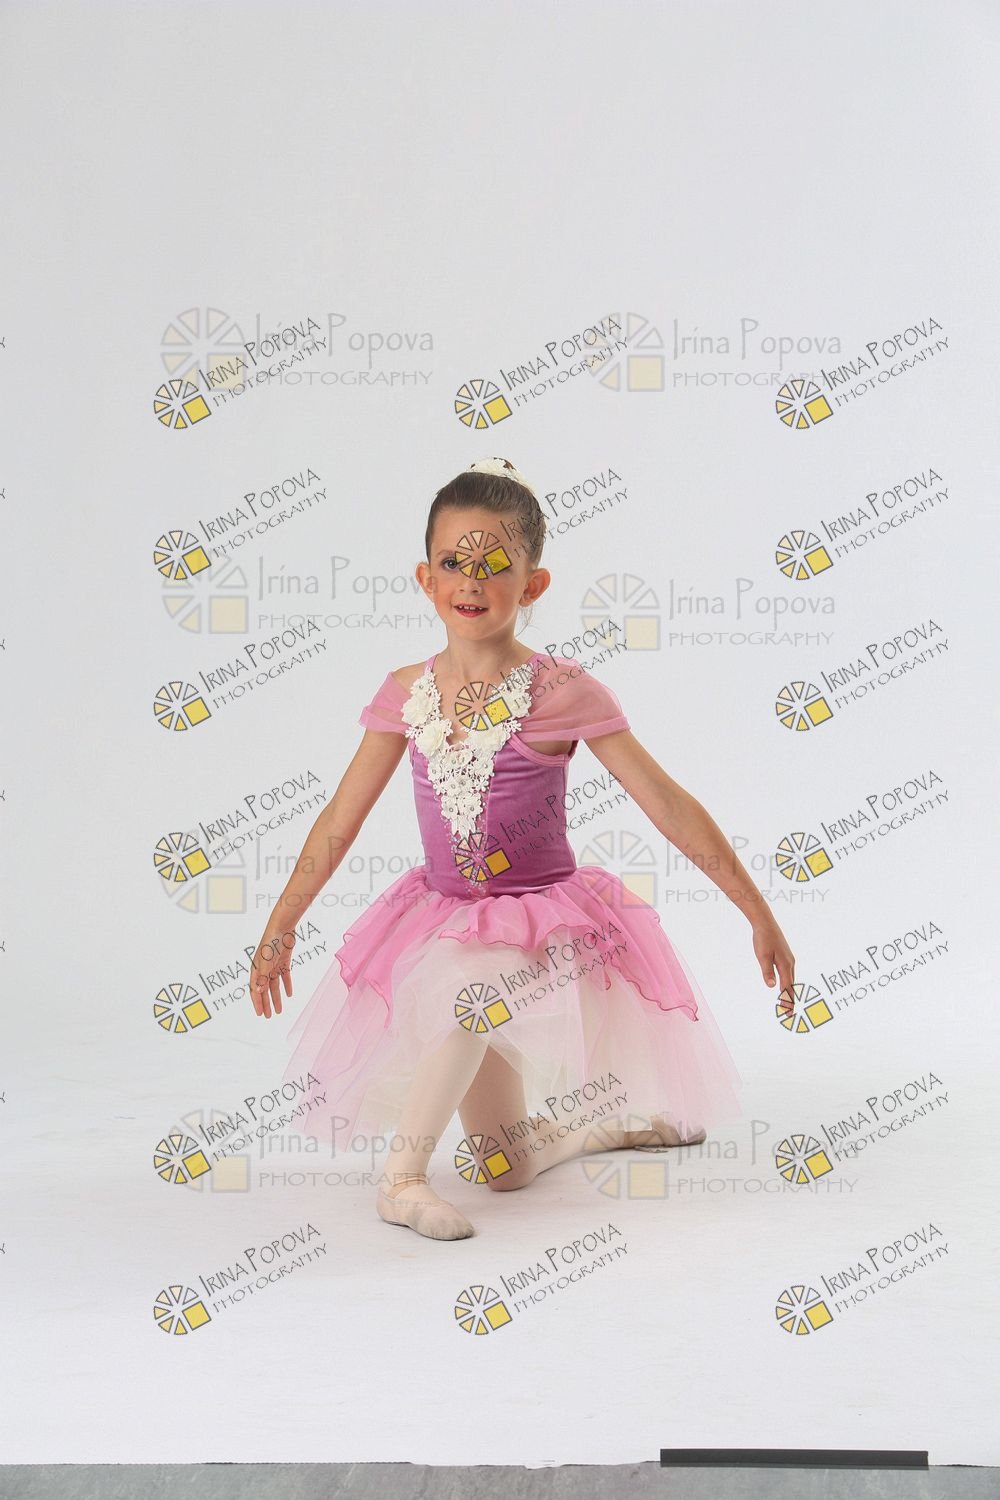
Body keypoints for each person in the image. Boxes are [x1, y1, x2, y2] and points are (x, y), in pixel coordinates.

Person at [249, 456, 795, 1242]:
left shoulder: (565, 692)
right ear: (425, 578)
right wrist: (281, 924)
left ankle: (400, 1181)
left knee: (472, 992)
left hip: (539, 928)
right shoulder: (405, 693)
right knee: (503, 1164)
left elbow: (669, 805)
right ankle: (596, 1130)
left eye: (495, 564)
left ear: (533, 584)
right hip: (444, 917)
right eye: (452, 562)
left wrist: (758, 914)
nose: (471, 581)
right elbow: (340, 818)